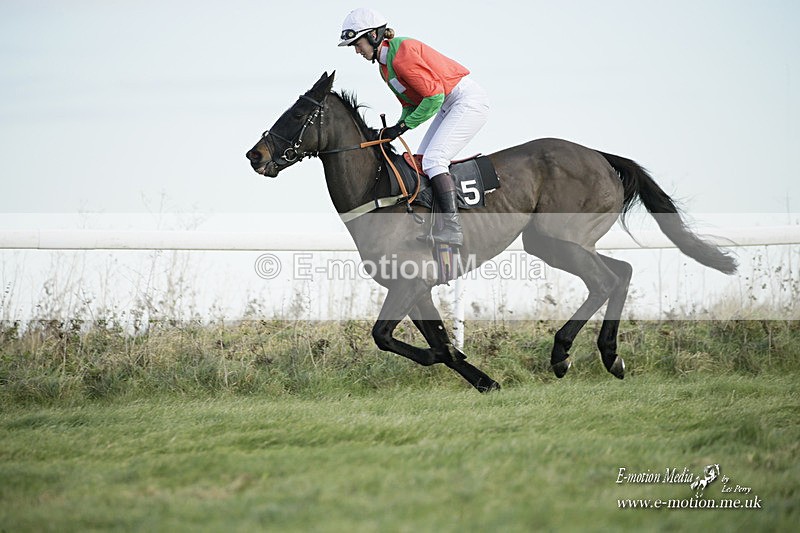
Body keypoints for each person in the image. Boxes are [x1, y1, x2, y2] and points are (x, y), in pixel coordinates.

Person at [338, 8, 489, 247]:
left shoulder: (402, 54)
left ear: (374, 36)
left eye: (357, 43)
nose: (356, 50)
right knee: (421, 160)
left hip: (465, 101)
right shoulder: (384, 67)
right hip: (449, 103)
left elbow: (433, 97)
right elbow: (411, 103)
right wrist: (396, 128)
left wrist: (403, 127)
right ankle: (436, 222)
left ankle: (453, 229)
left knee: (434, 160)